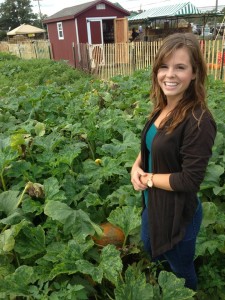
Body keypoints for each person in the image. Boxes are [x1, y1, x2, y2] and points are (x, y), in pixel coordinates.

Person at [130, 32, 217, 291]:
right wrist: (137, 166)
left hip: (177, 215)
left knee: (181, 268)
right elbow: (152, 143)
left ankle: (186, 294)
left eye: (180, 67)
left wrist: (147, 178)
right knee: (151, 247)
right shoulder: (163, 106)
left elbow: (189, 180)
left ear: (194, 73)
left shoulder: (199, 121)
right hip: (153, 205)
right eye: (164, 66)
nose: (170, 74)